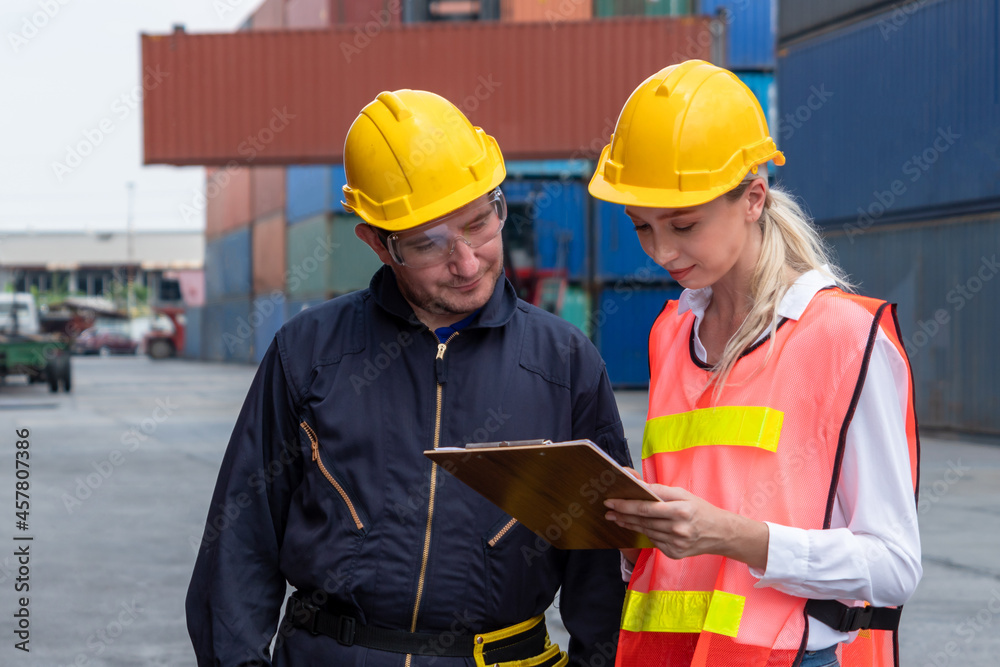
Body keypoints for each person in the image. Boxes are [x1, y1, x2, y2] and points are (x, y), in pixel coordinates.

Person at [186, 88, 632, 667]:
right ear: (376, 241)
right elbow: (240, 544)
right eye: (429, 244)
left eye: (480, 223)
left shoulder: (564, 363)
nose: (468, 262)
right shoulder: (309, 354)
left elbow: (602, 570)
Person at [591, 61, 921, 666]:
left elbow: (894, 567)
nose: (661, 252)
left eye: (684, 225)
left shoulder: (846, 338)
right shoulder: (672, 332)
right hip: (670, 654)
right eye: (641, 227)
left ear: (753, 197)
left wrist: (734, 536)